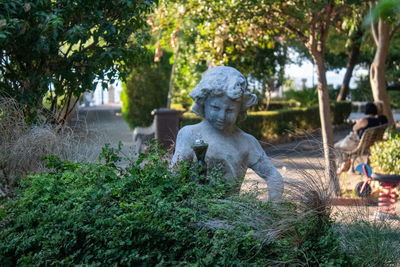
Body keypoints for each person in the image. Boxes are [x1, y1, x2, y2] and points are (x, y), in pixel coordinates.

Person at [171, 66, 283, 201]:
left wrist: (273, 209)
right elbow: (174, 177)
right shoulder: (189, 134)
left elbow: (273, 175)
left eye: (229, 110)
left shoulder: (246, 142)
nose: (222, 116)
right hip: (194, 214)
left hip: (231, 215)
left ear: (240, 109)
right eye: (215, 107)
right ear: (203, 103)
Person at [335, 102, 386, 174]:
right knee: (340, 144)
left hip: (356, 143)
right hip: (367, 143)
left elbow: (354, 128)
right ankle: (346, 163)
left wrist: (358, 122)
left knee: (336, 146)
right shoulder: (377, 121)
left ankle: (343, 165)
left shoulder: (365, 120)